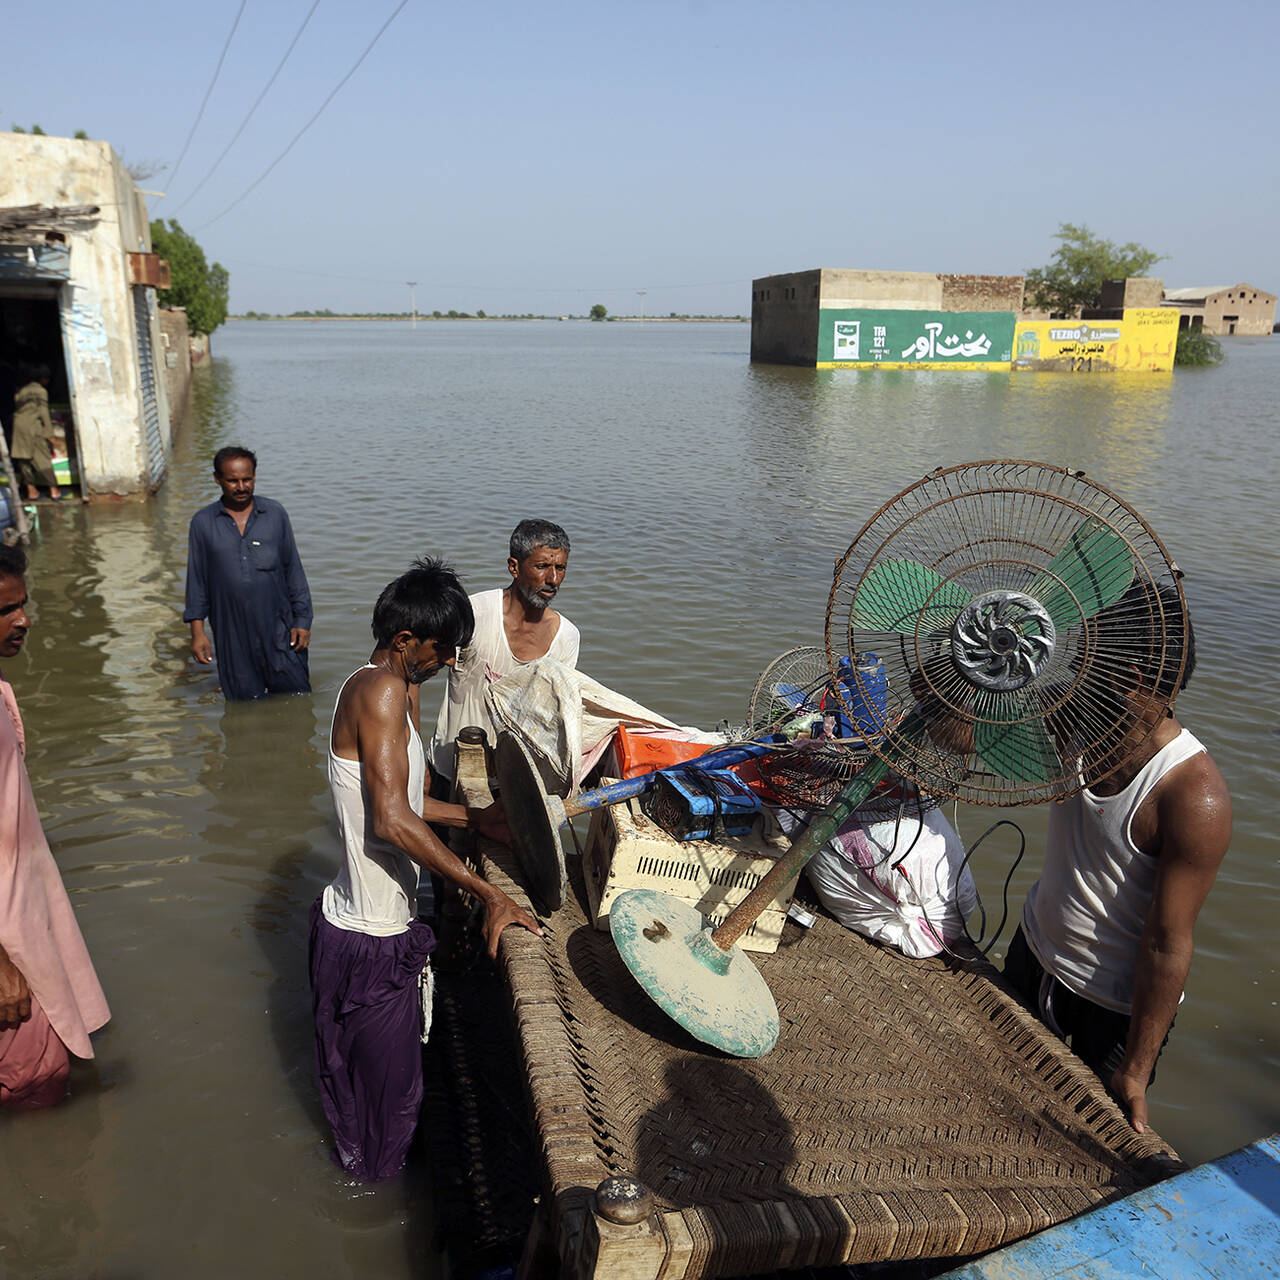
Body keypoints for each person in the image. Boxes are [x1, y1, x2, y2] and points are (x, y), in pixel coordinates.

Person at [310, 556, 541, 1180]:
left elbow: (403, 803)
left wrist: (475, 821)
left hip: (350, 927)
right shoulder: (385, 691)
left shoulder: (367, 684)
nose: (448, 664)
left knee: (358, 1101)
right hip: (371, 940)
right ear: (406, 641)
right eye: (443, 652)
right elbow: (390, 821)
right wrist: (485, 890)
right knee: (390, 1113)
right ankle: (368, 1222)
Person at [1003, 582, 1231, 1133]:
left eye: (1091, 660)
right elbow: (966, 737)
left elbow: (1167, 942)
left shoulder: (1192, 796)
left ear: (1130, 680)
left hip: (1115, 1011)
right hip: (1034, 954)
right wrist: (964, 670)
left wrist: (1135, 1067)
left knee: (1074, 1143)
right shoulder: (1075, 716)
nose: (1076, 670)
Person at [0, 544, 110, 1107]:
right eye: (7, 610)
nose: (23, 620)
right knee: (37, 1091)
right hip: (10, 950)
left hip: (27, 921)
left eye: (25, 604)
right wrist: (4, 968)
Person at [431, 518, 579, 783]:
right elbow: (417, 668)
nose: (553, 579)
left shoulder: (566, 638)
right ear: (514, 567)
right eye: (543, 566)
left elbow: (555, 717)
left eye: (561, 568)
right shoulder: (473, 613)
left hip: (513, 781)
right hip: (449, 768)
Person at [183, 446, 313, 700]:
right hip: (231, 632)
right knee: (243, 702)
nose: (241, 486)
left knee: (296, 696)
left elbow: (293, 570)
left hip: (279, 626)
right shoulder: (203, 523)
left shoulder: (274, 514)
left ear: (255, 476)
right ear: (217, 479)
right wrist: (198, 633)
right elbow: (197, 581)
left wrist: (303, 621)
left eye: (247, 479)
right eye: (232, 480)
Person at [10, 365, 62, 501]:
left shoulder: (21, 391)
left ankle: (31, 491)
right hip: (33, 427)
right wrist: (49, 434)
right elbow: (43, 413)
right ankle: (54, 490)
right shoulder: (40, 391)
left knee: (24, 460)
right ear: (43, 379)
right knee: (42, 458)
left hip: (19, 427)